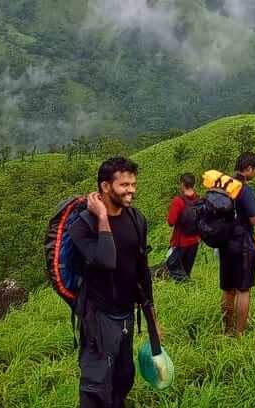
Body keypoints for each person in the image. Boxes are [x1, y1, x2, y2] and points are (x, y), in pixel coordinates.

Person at [68, 157, 159, 408]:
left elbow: (141, 269)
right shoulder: (82, 226)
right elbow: (106, 260)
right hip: (98, 316)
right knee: (96, 386)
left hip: (126, 313)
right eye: (124, 185)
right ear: (106, 187)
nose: (132, 190)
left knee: (123, 376)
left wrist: (152, 317)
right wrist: (102, 217)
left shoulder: (136, 219)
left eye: (133, 184)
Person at [220, 151, 255, 335]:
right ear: (249, 169)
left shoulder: (224, 186)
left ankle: (227, 328)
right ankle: (239, 332)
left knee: (228, 289)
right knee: (243, 290)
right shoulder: (245, 190)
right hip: (243, 244)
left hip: (225, 243)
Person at [166, 172, 201, 282]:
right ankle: (187, 286)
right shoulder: (199, 200)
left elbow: (171, 222)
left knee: (171, 265)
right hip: (195, 240)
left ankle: (189, 284)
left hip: (181, 241)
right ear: (194, 184)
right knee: (186, 269)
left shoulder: (178, 201)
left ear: (182, 184)